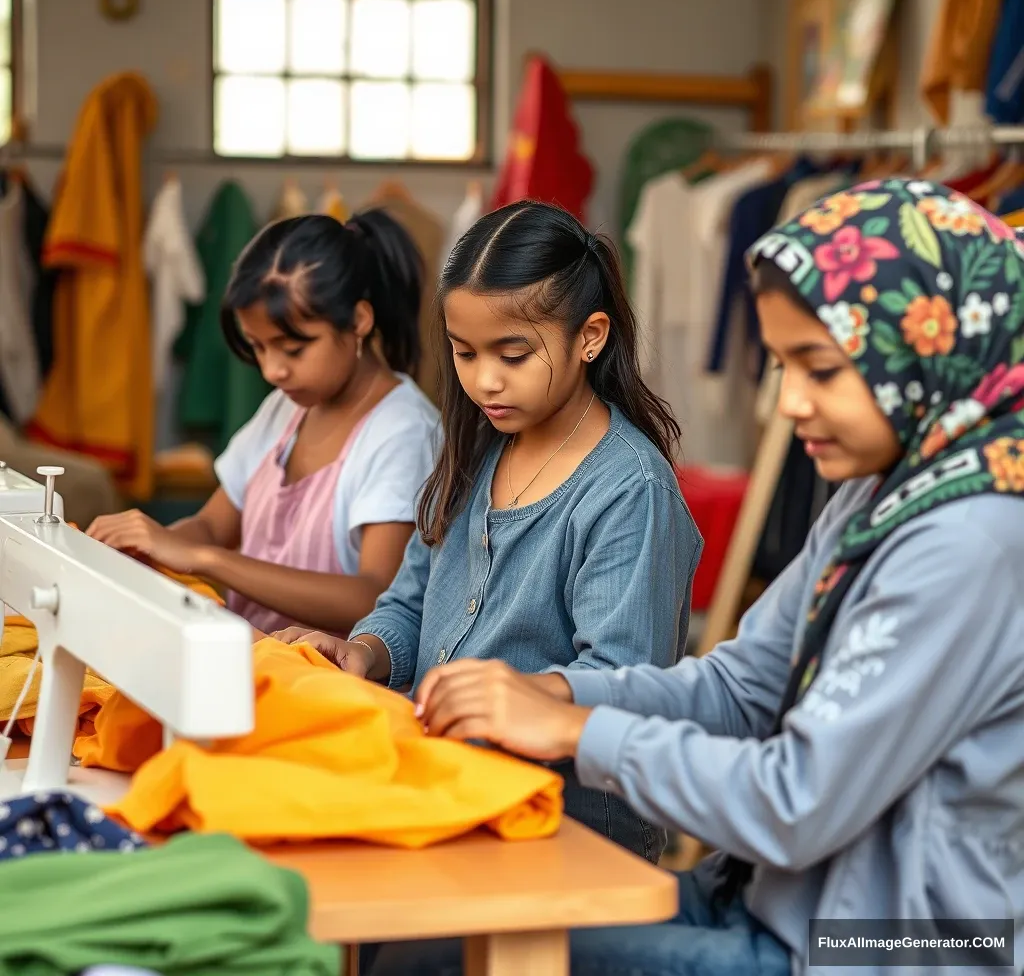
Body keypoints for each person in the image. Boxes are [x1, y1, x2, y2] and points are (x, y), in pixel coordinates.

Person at [373, 178, 1024, 976]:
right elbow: (739, 688)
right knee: (430, 938)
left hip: (887, 947)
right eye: (784, 367)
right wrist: (563, 694)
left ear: (928, 349)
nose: (790, 404)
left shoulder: (971, 541)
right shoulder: (881, 495)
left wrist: (578, 729)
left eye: (820, 370)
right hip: (781, 900)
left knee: (436, 957)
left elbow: (797, 802)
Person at [275, 200, 703, 863]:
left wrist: (505, 697)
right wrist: (362, 654)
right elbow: (409, 602)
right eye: (464, 352)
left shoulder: (630, 492)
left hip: (570, 833)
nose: (483, 380)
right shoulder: (479, 451)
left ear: (590, 337)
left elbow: (624, 682)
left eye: (513, 353)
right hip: (451, 794)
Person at [88, 210, 439, 637]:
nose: (272, 370)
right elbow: (214, 525)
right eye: (258, 347)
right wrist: (146, 546)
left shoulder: (404, 433)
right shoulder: (283, 410)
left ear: (359, 320)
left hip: (339, 686)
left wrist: (205, 559)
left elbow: (375, 596)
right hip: (258, 664)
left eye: (292, 349)